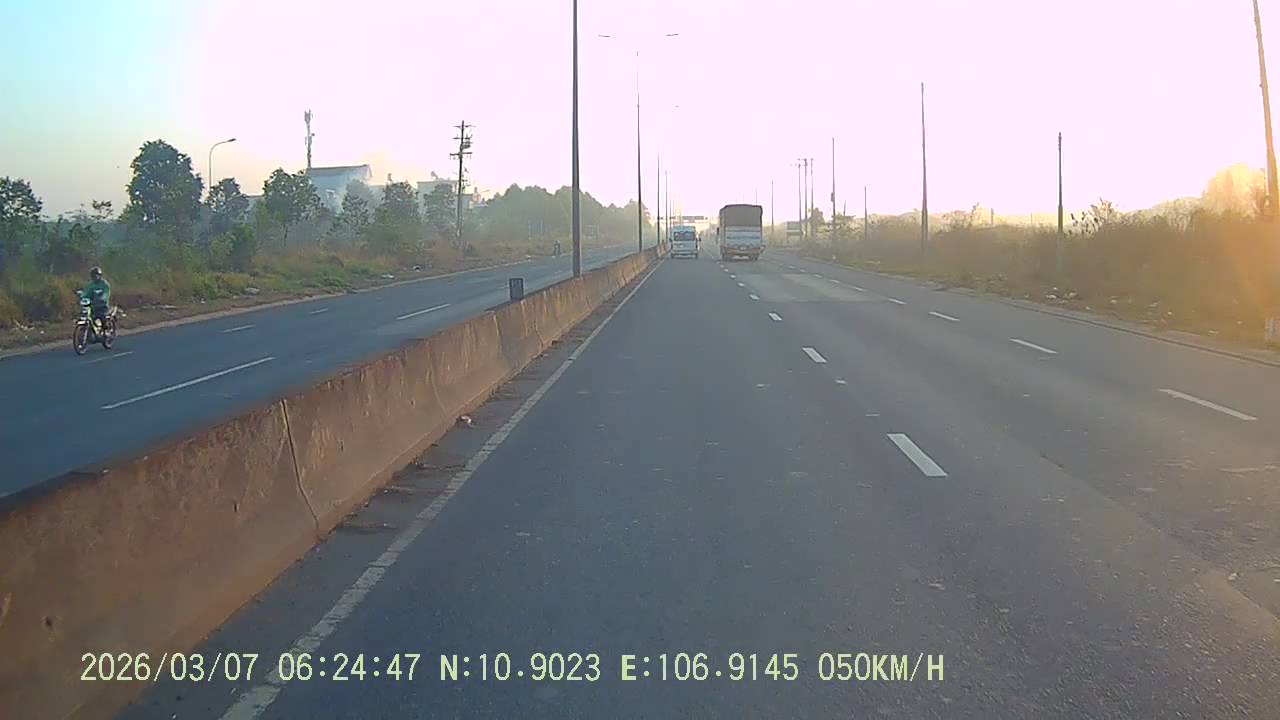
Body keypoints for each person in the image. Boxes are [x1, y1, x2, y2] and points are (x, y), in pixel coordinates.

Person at [82, 266, 111, 331]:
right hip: (92, 305)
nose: (94, 277)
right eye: (93, 276)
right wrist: (82, 296)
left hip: (102, 306)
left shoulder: (104, 284)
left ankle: (105, 331)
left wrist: (102, 297)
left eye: (95, 276)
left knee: (102, 317)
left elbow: (106, 293)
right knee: (88, 317)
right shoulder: (91, 284)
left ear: (100, 276)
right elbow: (87, 292)